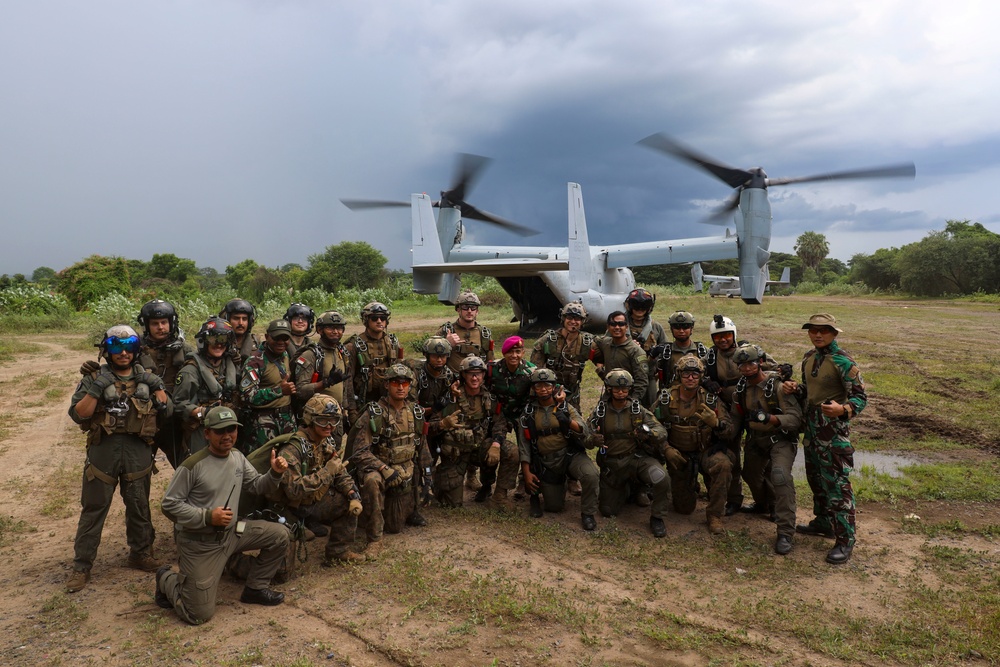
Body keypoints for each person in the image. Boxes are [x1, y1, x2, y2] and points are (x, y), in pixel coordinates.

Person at [156, 406, 291, 623]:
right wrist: (207, 517)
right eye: (220, 431)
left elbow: (257, 485)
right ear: (207, 433)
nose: (227, 435)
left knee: (280, 534)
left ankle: (255, 588)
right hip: (201, 543)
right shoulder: (192, 466)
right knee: (198, 615)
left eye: (232, 429)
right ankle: (166, 578)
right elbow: (169, 505)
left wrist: (274, 472)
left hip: (231, 534)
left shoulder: (237, 457)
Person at [66, 325, 170, 593]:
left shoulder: (147, 378)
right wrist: (98, 387)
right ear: (106, 350)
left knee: (139, 504)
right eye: (115, 347)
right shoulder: (94, 378)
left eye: (128, 347)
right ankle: (82, 565)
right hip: (104, 449)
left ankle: (140, 552)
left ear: (136, 349)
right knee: (94, 508)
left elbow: (167, 410)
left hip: (137, 449)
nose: (122, 353)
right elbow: (79, 414)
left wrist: (159, 390)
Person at [782, 314, 867, 565]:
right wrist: (795, 388)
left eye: (824, 331)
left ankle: (845, 539)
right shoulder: (809, 358)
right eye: (813, 330)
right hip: (812, 432)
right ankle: (823, 523)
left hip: (833, 435)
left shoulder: (843, 362)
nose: (818, 335)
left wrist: (844, 410)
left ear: (834, 334)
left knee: (837, 487)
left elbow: (861, 397)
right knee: (816, 480)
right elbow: (810, 392)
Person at [702, 315, 784, 516]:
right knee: (731, 454)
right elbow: (695, 371)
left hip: (755, 407)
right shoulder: (710, 357)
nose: (722, 340)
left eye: (726, 336)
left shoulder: (749, 350)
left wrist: (784, 371)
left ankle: (770, 503)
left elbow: (771, 366)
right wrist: (706, 382)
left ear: (734, 335)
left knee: (764, 459)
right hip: (730, 411)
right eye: (718, 337)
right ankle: (734, 499)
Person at [268, 395, 365, 564]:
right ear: (310, 420)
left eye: (334, 420)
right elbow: (294, 490)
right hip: (287, 509)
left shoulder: (323, 442)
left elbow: (339, 470)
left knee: (345, 503)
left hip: (311, 502)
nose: (329, 426)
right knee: (281, 572)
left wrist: (352, 493)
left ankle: (338, 552)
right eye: (322, 420)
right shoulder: (292, 449)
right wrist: (327, 472)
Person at [348, 364, 431, 557]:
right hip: (382, 471)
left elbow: (422, 448)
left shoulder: (416, 412)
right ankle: (374, 539)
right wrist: (383, 468)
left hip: (405, 470)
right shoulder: (374, 413)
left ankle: (412, 509)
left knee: (395, 526)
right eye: (395, 383)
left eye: (405, 383)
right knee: (371, 480)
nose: (400, 387)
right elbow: (359, 451)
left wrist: (428, 478)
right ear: (386, 385)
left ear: (410, 386)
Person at [730, 344, 803, 555]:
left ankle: (785, 531)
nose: (747, 368)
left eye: (751, 363)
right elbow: (736, 418)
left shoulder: (777, 386)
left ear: (760, 362)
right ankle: (764, 504)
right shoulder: (741, 390)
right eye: (741, 364)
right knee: (750, 474)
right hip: (756, 439)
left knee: (780, 476)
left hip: (781, 439)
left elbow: (795, 419)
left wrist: (771, 418)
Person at [651, 354, 734, 534]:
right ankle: (689, 485)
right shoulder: (666, 398)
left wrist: (716, 424)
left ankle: (715, 515)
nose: (690, 378)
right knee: (683, 509)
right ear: (679, 375)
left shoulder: (710, 399)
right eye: (686, 374)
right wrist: (666, 449)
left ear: (701, 376)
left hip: (706, 451)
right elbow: (650, 427)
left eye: (695, 374)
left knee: (723, 465)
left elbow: (730, 431)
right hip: (680, 455)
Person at [587, 370, 672, 537]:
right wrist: (593, 440)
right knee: (607, 510)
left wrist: (649, 434)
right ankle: (628, 489)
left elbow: (661, 431)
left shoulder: (637, 410)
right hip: (612, 464)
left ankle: (657, 517)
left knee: (661, 478)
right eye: (616, 388)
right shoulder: (600, 411)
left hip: (636, 460)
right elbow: (585, 435)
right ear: (608, 389)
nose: (620, 392)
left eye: (624, 389)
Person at [517, 368, 598, 531]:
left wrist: (567, 421)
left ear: (554, 387)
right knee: (554, 507)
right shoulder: (528, 413)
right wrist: (526, 472)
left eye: (547, 385)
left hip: (569, 455)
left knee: (591, 474)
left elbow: (584, 430)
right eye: (538, 386)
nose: (543, 389)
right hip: (546, 460)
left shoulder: (565, 406)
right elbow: (524, 445)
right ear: (533, 388)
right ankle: (550, 489)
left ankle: (588, 514)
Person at [435, 355, 516, 508]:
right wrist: (442, 424)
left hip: (479, 449)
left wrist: (496, 444)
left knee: (512, 451)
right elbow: (432, 423)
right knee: (451, 503)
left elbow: (500, 423)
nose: (474, 377)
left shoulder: (489, 399)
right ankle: (440, 481)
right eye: (470, 373)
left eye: (478, 373)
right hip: (456, 453)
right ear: (463, 375)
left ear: (484, 375)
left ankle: (497, 494)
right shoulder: (451, 397)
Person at [173, 317, 241, 456]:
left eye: (223, 339)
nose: (218, 344)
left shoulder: (230, 365)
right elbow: (179, 404)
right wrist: (203, 411)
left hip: (226, 427)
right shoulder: (190, 371)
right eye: (213, 339)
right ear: (203, 341)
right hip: (201, 430)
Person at [292, 310, 357, 436]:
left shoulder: (343, 353)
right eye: (330, 328)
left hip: (336, 418)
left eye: (339, 328)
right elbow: (300, 390)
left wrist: (350, 413)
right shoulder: (310, 355)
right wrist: (326, 383)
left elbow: (347, 385)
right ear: (320, 330)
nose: (335, 332)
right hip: (316, 421)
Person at [240, 319, 297, 450]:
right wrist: (279, 391)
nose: (281, 342)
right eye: (277, 338)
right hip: (263, 422)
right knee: (264, 461)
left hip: (286, 417)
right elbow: (247, 396)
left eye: (285, 338)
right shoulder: (255, 362)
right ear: (267, 337)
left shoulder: (286, 355)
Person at [529, 301, 594, 411]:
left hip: (573, 393)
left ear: (583, 321)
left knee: (575, 425)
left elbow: (607, 351)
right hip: (548, 391)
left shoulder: (587, 342)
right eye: (569, 317)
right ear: (563, 318)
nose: (573, 321)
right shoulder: (548, 340)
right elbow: (535, 370)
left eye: (577, 318)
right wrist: (553, 390)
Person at [344, 301, 403, 408]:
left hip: (389, 400)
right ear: (366, 320)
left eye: (383, 318)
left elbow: (401, 372)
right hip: (364, 400)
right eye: (374, 318)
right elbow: (347, 380)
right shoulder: (353, 345)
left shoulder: (393, 342)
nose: (379, 321)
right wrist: (351, 409)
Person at [623, 289, 668, 407]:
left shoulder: (656, 327)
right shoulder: (619, 326)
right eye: (636, 305)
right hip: (624, 376)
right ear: (629, 305)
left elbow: (667, 350)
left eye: (644, 306)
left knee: (651, 408)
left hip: (649, 376)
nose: (639, 309)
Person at [592, 311, 649, 404]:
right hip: (609, 396)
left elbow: (641, 381)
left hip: (627, 398)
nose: (617, 327)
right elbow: (591, 339)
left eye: (621, 324)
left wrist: (633, 401)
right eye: (613, 324)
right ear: (608, 327)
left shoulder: (636, 351)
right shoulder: (605, 343)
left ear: (626, 327)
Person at [438, 290, 494, 374]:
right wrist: (446, 344)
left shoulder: (484, 334)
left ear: (477, 311)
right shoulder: (445, 331)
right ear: (458, 309)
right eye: (465, 307)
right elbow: (433, 359)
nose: (469, 311)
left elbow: (491, 363)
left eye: (473, 307)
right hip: (451, 380)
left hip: (475, 381)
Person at [653, 311, 709, 388]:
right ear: (671, 329)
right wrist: (652, 356)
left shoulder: (703, 351)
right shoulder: (664, 352)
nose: (681, 331)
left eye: (685, 327)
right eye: (677, 327)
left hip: (698, 395)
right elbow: (650, 373)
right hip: (671, 396)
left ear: (691, 329)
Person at [219, 298, 259, 368]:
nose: (241, 323)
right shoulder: (218, 344)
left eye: (244, 319)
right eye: (236, 318)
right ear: (227, 320)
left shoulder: (255, 343)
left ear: (249, 322)